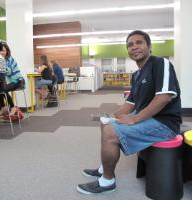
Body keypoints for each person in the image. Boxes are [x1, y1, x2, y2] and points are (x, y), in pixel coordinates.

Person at [77, 30, 182, 194]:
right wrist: (109, 116)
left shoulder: (161, 64)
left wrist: (135, 119)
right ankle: (104, 167)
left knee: (111, 131)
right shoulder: (137, 75)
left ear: (149, 46)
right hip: (148, 118)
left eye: (139, 43)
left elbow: (164, 98)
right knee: (106, 123)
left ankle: (107, 182)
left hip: (164, 123)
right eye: (130, 45)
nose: (134, 47)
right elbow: (129, 104)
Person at [0, 42, 25, 116]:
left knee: (2, 89)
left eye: (3, 50)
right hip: (11, 81)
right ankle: (3, 107)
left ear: (7, 51)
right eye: (0, 51)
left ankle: (13, 107)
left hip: (18, 80)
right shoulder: (0, 59)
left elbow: (9, 72)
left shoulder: (9, 59)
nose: (1, 52)